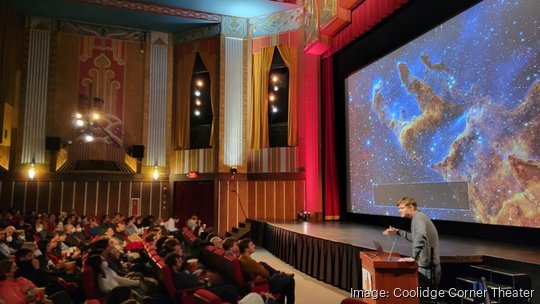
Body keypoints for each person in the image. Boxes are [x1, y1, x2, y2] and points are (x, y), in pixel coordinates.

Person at [383, 197, 441, 289]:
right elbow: (415, 237)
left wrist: (413, 257)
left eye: (402, 208)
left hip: (428, 269)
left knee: (424, 298)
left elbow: (421, 234)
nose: (399, 211)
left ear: (411, 207)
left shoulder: (418, 217)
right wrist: (397, 231)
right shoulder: (417, 218)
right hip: (426, 267)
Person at [238, 238, 295, 304]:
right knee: (290, 280)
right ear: (246, 249)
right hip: (263, 284)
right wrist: (261, 269)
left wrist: (260, 269)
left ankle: (281, 275)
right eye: (252, 245)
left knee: (287, 282)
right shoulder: (249, 261)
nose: (254, 246)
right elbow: (266, 274)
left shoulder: (243, 258)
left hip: (262, 281)